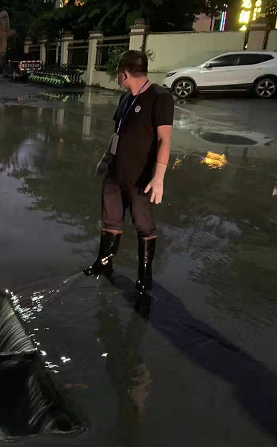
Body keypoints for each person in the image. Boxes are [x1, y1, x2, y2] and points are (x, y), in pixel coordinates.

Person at [84, 50, 174, 293]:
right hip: (116, 172)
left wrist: (159, 177)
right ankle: (104, 263)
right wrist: (106, 159)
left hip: (140, 175)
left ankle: (145, 275)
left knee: (143, 223)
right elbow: (118, 133)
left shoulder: (160, 97)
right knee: (111, 217)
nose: (117, 78)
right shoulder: (125, 98)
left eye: (118, 74)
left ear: (124, 74)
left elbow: (164, 140)